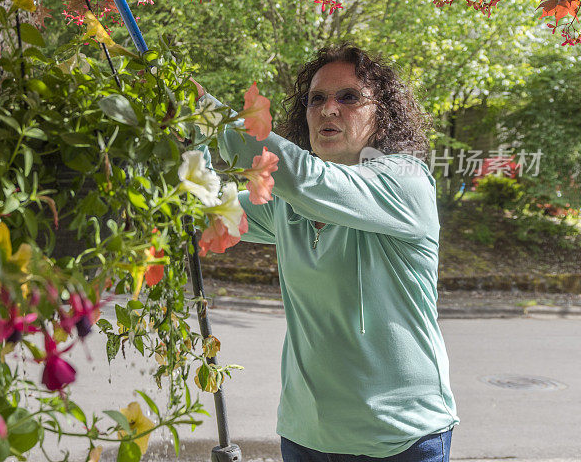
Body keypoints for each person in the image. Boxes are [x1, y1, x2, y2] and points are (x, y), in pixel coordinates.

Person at [192, 44, 458, 462]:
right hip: (307, 436)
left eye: (348, 97)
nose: (328, 109)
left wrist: (210, 113)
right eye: (316, 98)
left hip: (399, 439)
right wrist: (181, 142)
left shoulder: (406, 182)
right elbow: (207, 214)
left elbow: (305, 178)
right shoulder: (287, 203)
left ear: (381, 113)